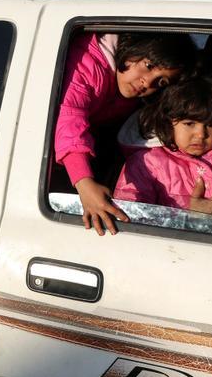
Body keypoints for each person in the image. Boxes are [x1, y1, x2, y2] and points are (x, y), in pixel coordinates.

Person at [54, 31, 197, 235]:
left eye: (161, 82)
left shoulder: (130, 92)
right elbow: (70, 118)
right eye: (148, 66)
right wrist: (84, 183)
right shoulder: (88, 63)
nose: (147, 83)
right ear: (132, 46)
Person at [113, 73, 212, 216]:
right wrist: (191, 221)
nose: (201, 134)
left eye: (210, 124)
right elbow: (131, 212)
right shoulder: (147, 163)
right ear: (168, 123)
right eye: (189, 123)